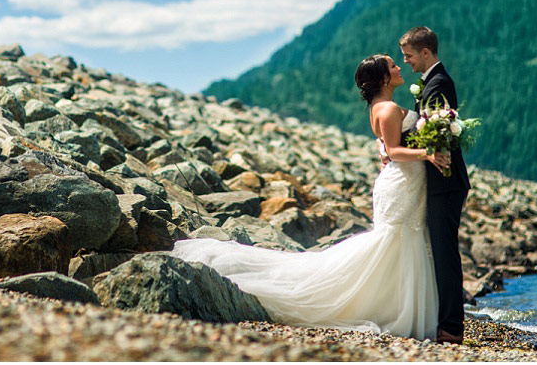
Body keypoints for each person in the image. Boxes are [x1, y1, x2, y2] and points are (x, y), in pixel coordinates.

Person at [170, 53, 450, 340]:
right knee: (395, 240)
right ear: (382, 78)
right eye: (392, 65)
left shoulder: (380, 107)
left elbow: (385, 148)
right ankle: (391, 309)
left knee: (398, 242)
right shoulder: (388, 109)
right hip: (401, 183)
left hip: (403, 181)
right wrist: (428, 153)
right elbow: (391, 151)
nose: (398, 67)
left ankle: (392, 304)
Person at [385, 26, 470, 344]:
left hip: (445, 180)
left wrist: (393, 143)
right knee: (441, 250)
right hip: (439, 180)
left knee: (445, 252)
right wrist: (390, 144)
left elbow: (437, 132)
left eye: (408, 56)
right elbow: (429, 128)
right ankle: (446, 320)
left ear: (425, 52)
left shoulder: (439, 83)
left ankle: (450, 327)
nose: (405, 62)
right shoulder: (433, 83)